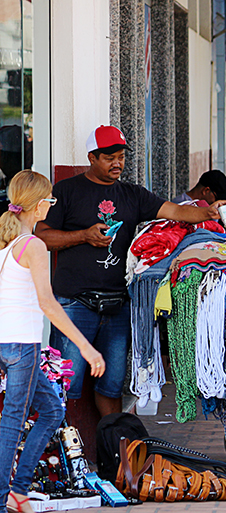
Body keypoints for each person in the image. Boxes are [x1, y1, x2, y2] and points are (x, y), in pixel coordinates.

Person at [35, 125, 226, 422]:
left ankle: (112, 452)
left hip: (118, 305)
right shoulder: (66, 191)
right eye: (109, 157)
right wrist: (84, 236)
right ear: (92, 157)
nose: (117, 163)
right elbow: (41, 237)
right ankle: (60, 460)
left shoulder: (132, 194)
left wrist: (208, 211)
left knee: (112, 387)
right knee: (62, 386)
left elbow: (175, 212)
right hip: (74, 304)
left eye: (121, 157)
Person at [0, 171, 105, 513]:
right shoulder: (34, 245)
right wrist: (86, 347)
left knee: (52, 409)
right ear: (38, 205)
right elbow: (48, 303)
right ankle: (5, 498)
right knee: (14, 421)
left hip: (8, 344)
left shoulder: (6, 244)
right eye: (50, 199)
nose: (51, 204)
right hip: (22, 346)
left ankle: (17, 491)